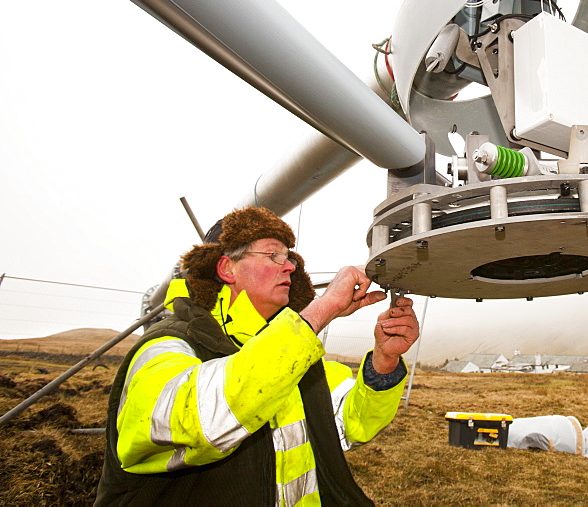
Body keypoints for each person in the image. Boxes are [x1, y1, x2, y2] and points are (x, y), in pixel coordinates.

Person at [95, 206, 418, 506]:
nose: (290, 265)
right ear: (226, 267)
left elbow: (349, 426)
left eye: (289, 257)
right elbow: (199, 422)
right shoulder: (169, 345)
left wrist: (383, 361)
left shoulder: (291, 352)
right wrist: (322, 309)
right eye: (273, 255)